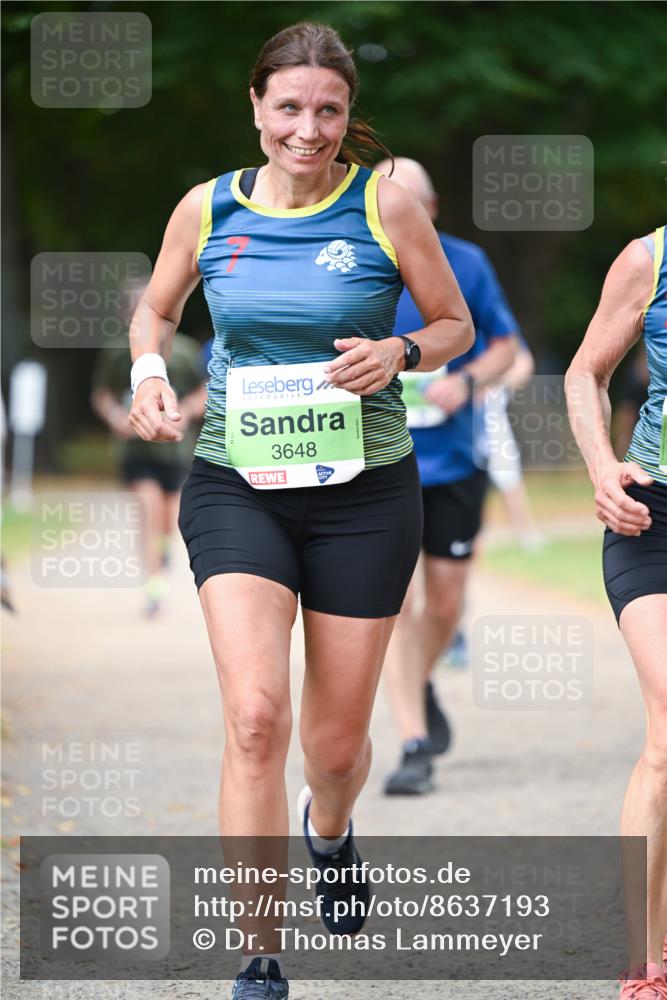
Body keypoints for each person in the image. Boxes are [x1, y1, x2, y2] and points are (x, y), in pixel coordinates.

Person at [127, 23, 474, 999]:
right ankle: (259, 952)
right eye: (289, 107)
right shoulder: (206, 208)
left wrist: (402, 352)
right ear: (256, 107)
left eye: (327, 109)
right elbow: (153, 309)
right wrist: (150, 372)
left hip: (365, 493)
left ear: (347, 115)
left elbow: (455, 324)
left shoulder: (387, 204)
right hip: (239, 482)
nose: (308, 129)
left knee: (331, 746)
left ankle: (331, 830)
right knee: (252, 716)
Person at [374, 158, 517, 796]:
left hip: (455, 461)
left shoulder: (467, 263)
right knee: (396, 606)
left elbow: (506, 347)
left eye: (407, 201)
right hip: (378, 460)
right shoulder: (352, 263)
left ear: (429, 211)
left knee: (446, 604)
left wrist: (465, 379)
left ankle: (418, 676)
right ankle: (411, 743)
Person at [565, 226, 667, 998]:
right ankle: (646, 959)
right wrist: (603, 469)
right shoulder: (649, 259)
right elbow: (583, 374)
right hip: (652, 518)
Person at [91, 280, 205, 616]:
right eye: (133, 306)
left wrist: (185, 414)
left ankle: (163, 553)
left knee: (170, 519)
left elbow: (205, 392)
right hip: (135, 452)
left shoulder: (185, 351)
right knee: (149, 510)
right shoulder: (115, 352)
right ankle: (154, 586)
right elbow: (102, 394)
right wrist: (115, 417)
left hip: (177, 452)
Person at [484, 335, 545, 551]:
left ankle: (525, 534)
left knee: (509, 476)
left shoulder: (491, 320)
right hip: (454, 420)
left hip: (491, 418)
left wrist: (494, 382)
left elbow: (524, 364)